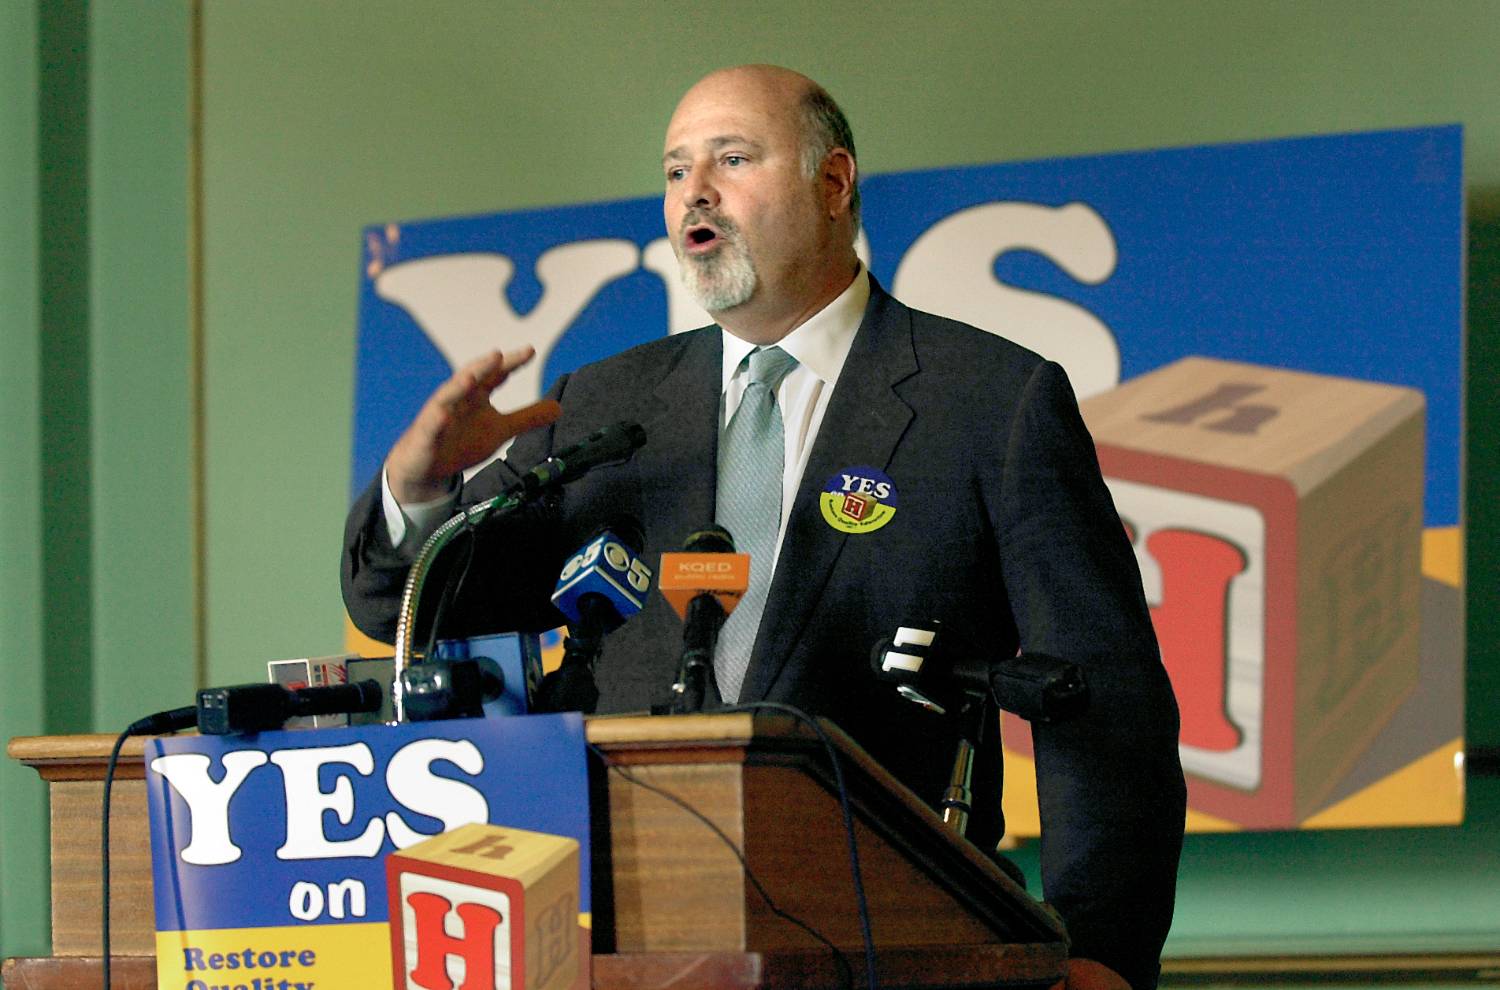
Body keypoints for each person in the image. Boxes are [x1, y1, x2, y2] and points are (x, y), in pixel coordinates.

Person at [343, 65, 1185, 990]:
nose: (693, 192)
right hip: (623, 939)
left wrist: (1102, 953)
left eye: (732, 159)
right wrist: (419, 489)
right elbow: (410, 607)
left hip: (896, 940)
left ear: (834, 183)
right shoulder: (607, 405)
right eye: (675, 171)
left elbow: (1104, 702)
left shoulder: (988, 399)